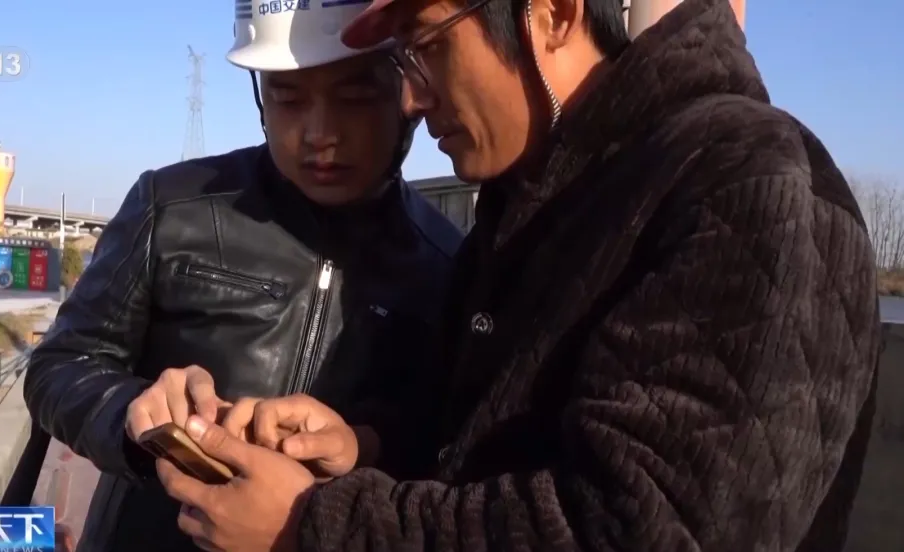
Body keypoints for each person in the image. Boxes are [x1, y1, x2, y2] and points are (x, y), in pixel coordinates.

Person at [151, 0, 883, 551]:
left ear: (553, 15)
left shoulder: (743, 183)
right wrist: (367, 446)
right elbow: (484, 449)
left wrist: (312, 526)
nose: (412, 99)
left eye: (428, 46)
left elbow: (636, 527)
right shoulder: (536, 199)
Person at [22, 1, 463, 550]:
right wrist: (130, 415)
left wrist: (366, 446)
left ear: (410, 95)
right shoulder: (170, 205)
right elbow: (61, 364)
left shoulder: (449, 264)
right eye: (288, 98)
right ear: (259, 97)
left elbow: (445, 439)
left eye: (354, 96)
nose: (319, 134)